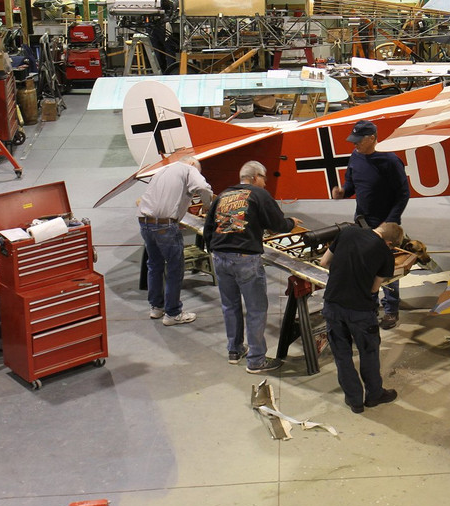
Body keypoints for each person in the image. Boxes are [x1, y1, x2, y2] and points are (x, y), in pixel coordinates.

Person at [203, 159, 298, 374]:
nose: (266, 184)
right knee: (256, 309)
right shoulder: (259, 194)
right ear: (256, 177)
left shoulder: (225, 194)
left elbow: (208, 227)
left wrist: (216, 249)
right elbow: (278, 224)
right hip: (245, 258)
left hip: (220, 256)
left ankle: (235, 350)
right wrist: (291, 222)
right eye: (264, 179)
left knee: (230, 305)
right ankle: (256, 360)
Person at [331, 119, 409, 329]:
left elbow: (403, 194)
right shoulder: (355, 157)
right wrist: (342, 193)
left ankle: (391, 308)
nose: (354, 144)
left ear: (372, 139)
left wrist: (390, 222)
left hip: (385, 224)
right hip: (363, 221)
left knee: (388, 266)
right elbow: (351, 184)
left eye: (359, 140)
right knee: (365, 265)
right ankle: (370, 306)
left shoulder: (390, 161)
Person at [320, 221, 404, 413]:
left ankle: (354, 400)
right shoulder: (385, 254)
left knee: (342, 355)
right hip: (360, 311)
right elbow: (374, 288)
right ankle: (374, 395)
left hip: (332, 304)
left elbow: (324, 262)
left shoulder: (347, 232)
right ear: (390, 243)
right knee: (369, 353)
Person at [137, 155, 213, 326]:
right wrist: (207, 206)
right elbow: (203, 187)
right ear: (193, 163)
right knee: (175, 267)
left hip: (144, 221)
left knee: (154, 265)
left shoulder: (163, 170)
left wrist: (177, 216)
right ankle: (173, 313)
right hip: (164, 225)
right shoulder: (189, 168)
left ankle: (156, 307)